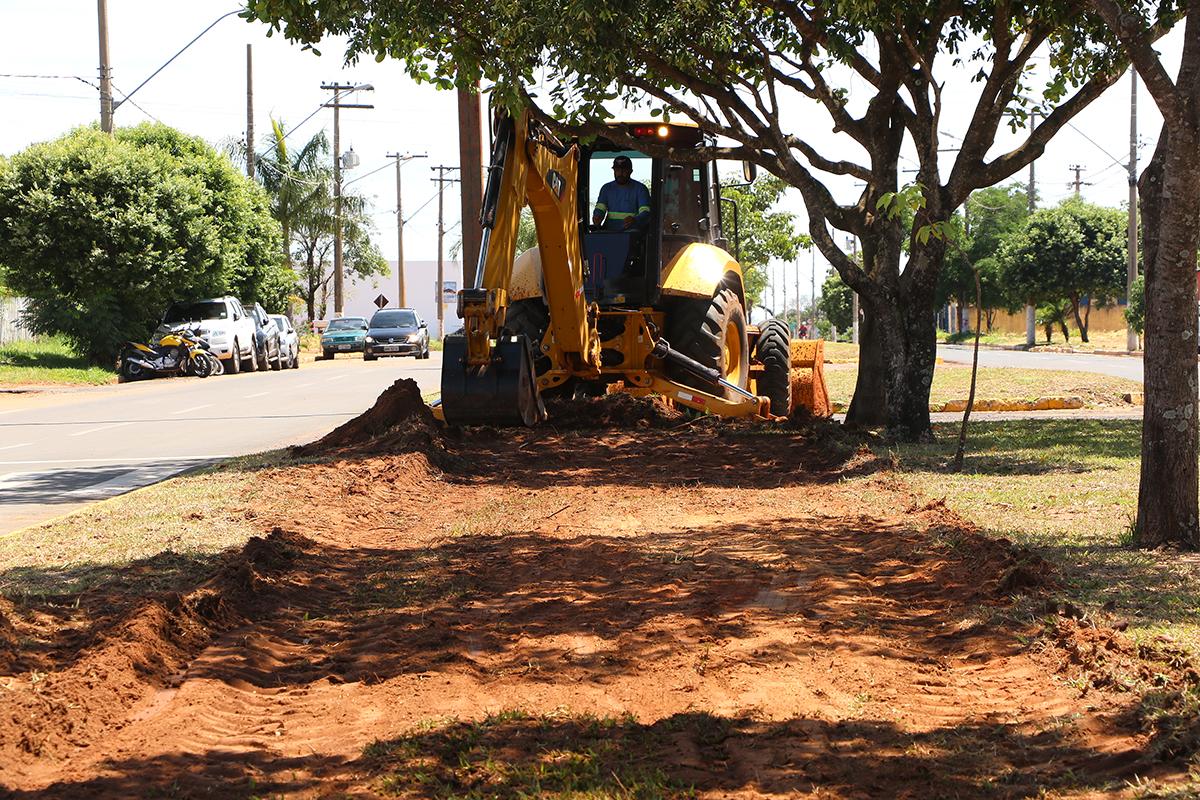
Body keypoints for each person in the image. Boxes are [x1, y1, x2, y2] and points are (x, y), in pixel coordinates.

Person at [592, 155, 651, 232]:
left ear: (630, 171)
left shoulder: (640, 189)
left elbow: (645, 211)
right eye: (617, 170)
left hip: (632, 233)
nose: (620, 173)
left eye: (624, 170)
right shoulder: (606, 188)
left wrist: (635, 219)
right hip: (609, 231)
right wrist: (597, 216)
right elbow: (600, 208)